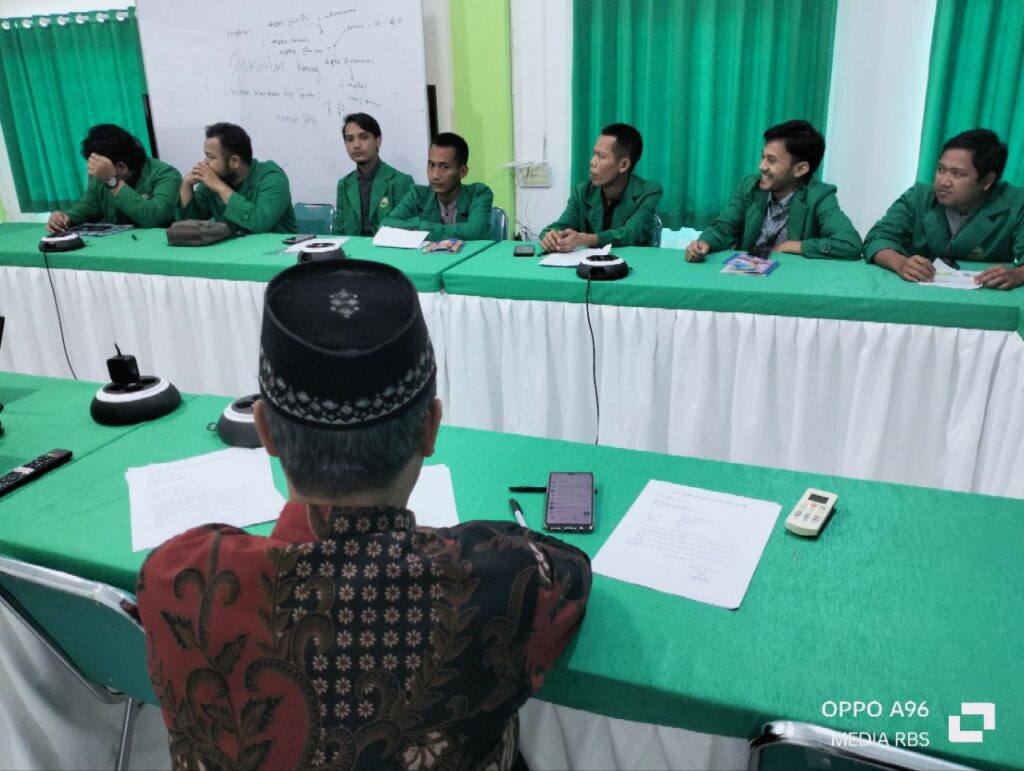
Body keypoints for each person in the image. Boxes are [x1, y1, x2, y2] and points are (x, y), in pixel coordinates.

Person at [136, 258, 591, 770]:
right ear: (430, 428)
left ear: (263, 429)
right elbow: (570, 571)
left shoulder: (176, 578)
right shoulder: (503, 578)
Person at [863, 129, 1024, 289]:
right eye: (940, 169)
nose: (943, 182)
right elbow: (877, 239)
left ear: (987, 181)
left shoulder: (1016, 204)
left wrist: (1017, 275)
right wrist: (901, 263)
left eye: (957, 174)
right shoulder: (919, 197)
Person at [685, 119, 862, 262]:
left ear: (800, 169)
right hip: (745, 276)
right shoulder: (749, 187)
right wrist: (705, 243)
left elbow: (849, 244)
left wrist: (794, 246)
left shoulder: (819, 196)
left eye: (771, 160)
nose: (761, 166)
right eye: (762, 157)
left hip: (790, 282)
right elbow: (724, 228)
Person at [540, 123, 662, 251]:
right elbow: (559, 227)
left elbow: (631, 234)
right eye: (594, 154)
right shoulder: (581, 192)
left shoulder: (649, 192)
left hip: (633, 261)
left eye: (601, 156)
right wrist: (551, 236)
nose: (592, 162)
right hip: (589, 263)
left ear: (623, 165)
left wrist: (585, 239)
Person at [46, 124, 181, 232]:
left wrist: (112, 181)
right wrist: (65, 218)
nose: (93, 172)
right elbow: (88, 207)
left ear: (122, 167)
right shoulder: (100, 177)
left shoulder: (167, 175)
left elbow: (153, 218)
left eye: (98, 165)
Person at [177, 122, 296, 233]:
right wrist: (186, 184)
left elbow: (260, 222)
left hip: (278, 247)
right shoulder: (214, 178)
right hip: (234, 248)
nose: (204, 163)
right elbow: (190, 225)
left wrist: (220, 187)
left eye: (211, 157)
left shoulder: (272, 177)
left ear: (235, 161)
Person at [382, 133, 493, 240]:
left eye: (444, 167)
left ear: (462, 171)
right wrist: (420, 226)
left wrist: (421, 227)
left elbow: (476, 231)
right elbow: (387, 224)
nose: (435, 175)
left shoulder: (478, 194)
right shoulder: (418, 195)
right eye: (431, 165)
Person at [333, 113, 414, 236]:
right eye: (350, 139)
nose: (356, 145)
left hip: (386, 248)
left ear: (378, 141)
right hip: (351, 248)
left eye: (363, 137)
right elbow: (339, 233)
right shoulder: (344, 184)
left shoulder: (400, 182)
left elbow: (406, 231)